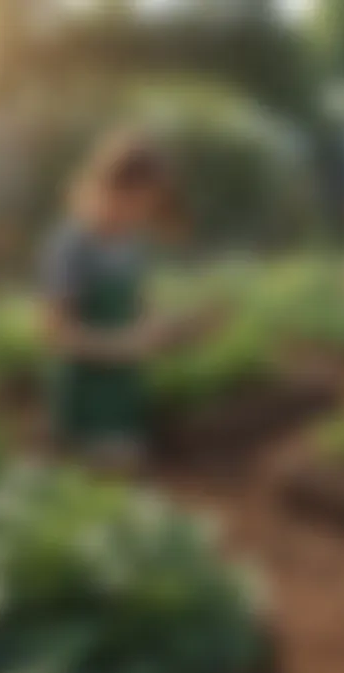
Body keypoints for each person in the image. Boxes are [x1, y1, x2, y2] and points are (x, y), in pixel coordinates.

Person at [41, 128, 214, 470]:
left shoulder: (132, 244)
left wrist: (181, 326)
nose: (145, 212)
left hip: (124, 398)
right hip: (86, 401)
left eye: (151, 204)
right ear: (112, 189)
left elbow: (141, 313)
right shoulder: (71, 245)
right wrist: (126, 345)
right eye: (141, 201)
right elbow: (57, 333)